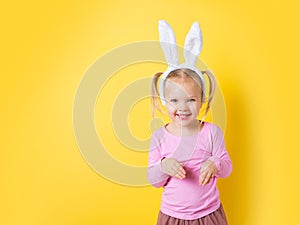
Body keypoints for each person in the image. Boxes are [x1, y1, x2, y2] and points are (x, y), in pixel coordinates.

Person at [147, 20, 232, 225]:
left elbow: (227, 168)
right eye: (174, 101)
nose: (183, 108)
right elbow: (153, 179)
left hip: (208, 214)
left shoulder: (212, 132)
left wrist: (215, 163)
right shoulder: (160, 136)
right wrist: (163, 166)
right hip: (172, 216)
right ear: (164, 101)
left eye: (191, 100)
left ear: (202, 100)